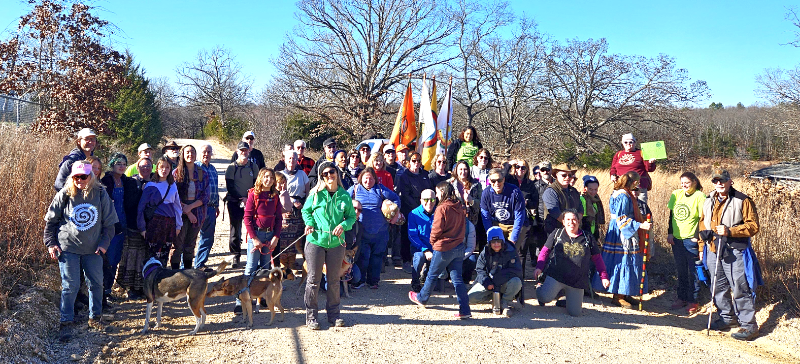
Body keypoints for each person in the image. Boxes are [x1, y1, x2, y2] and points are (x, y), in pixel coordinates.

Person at [46, 160, 118, 341]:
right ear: (72, 177)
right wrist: (50, 243)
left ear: (91, 176)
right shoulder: (65, 194)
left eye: (83, 176)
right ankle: (66, 323)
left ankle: (95, 318)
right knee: (71, 286)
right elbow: (51, 222)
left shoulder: (101, 193)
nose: (80, 180)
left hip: (93, 249)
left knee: (96, 284)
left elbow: (110, 225)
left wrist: (104, 244)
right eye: (76, 176)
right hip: (67, 246)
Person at [700, 169, 761, 341]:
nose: (719, 183)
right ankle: (727, 318)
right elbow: (701, 222)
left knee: (740, 287)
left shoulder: (743, 200)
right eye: (715, 180)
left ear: (730, 181)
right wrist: (701, 241)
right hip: (712, 248)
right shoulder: (708, 199)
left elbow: (754, 226)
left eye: (722, 180)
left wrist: (730, 231)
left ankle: (749, 326)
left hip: (734, 250)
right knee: (717, 287)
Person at [301, 162, 357, 329]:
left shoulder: (344, 195)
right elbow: (306, 211)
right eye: (325, 174)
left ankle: (334, 315)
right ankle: (311, 316)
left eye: (331, 172)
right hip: (316, 241)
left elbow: (351, 217)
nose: (329, 176)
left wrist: (344, 226)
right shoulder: (315, 194)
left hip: (336, 244)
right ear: (321, 177)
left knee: (333, 280)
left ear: (336, 173)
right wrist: (310, 223)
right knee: (313, 280)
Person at [408, 182, 471, 319]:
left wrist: (433, 243)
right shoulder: (459, 206)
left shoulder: (442, 208)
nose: (436, 196)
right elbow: (463, 227)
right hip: (458, 247)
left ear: (442, 192)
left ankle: (422, 298)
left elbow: (436, 230)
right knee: (457, 279)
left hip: (443, 248)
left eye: (437, 193)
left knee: (432, 275)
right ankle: (465, 309)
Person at [534, 210, 610, 316]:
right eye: (568, 220)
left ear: (578, 221)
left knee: (575, 313)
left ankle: (566, 298)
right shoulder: (557, 233)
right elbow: (544, 251)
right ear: (563, 222)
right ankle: (539, 287)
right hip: (557, 276)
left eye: (574, 219)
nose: (571, 222)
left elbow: (597, 258)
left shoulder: (587, 237)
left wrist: (604, 276)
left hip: (577, 280)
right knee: (544, 298)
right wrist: (539, 267)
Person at [598, 171, 652, 308]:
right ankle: (618, 295)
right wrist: (640, 225)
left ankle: (626, 292)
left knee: (627, 259)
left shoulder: (622, 193)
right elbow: (621, 218)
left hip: (621, 229)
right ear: (633, 182)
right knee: (622, 259)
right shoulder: (623, 195)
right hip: (622, 232)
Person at [238, 168, 283, 313]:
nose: (268, 180)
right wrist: (254, 238)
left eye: (271, 177)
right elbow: (247, 218)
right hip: (256, 236)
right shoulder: (253, 194)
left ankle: (261, 297)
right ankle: (241, 299)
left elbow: (278, 219)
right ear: (260, 178)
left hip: (269, 237)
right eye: (265, 177)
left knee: (265, 269)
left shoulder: (275, 196)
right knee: (251, 268)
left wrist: (276, 237)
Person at [348, 167, 400, 289]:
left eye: (371, 179)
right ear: (361, 179)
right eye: (366, 179)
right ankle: (360, 280)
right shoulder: (355, 189)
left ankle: (373, 281)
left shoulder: (380, 189)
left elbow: (396, 199)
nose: (368, 181)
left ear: (375, 179)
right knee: (364, 257)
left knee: (377, 257)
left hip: (380, 231)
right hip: (362, 231)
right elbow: (343, 200)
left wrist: (394, 215)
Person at [99, 153, 138, 309]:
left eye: (124, 164)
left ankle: (108, 291)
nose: (121, 166)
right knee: (107, 259)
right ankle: (102, 294)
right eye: (118, 163)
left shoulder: (125, 181)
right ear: (112, 165)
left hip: (123, 223)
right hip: (109, 225)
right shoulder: (106, 181)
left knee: (115, 259)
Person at [666, 172, 706, 315]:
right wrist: (670, 232)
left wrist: (697, 236)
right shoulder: (676, 194)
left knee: (693, 271)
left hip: (691, 239)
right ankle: (681, 297)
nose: (684, 186)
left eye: (687, 183)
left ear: (694, 182)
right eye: (682, 183)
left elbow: (703, 218)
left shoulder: (700, 196)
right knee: (681, 270)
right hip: (677, 239)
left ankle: (693, 300)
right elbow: (671, 216)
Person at [116, 156, 152, 300]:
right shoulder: (132, 182)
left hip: (151, 227)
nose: (145, 168)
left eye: (148, 166)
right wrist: (141, 192)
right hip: (133, 226)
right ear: (137, 168)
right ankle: (130, 288)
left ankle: (144, 286)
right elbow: (128, 204)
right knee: (131, 257)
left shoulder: (155, 182)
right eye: (142, 166)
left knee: (146, 256)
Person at [468, 226, 522, 317]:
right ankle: (495, 298)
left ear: (502, 241)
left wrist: (497, 280)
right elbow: (480, 270)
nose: (496, 244)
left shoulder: (511, 251)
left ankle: (505, 302)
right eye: (493, 242)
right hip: (489, 284)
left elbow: (516, 271)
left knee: (516, 282)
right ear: (489, 243)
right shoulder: (484, 252)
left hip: (505, 283)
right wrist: (487, 282)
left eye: (499, 241)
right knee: (470, 298)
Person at [137, 156, 183, 265]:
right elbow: (141, 208)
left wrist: (178, 225)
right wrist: (142, 228)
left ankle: (162, 279)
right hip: (155, 224)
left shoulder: (172, 185)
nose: (164, 170)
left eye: (167, 167)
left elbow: (177, 207)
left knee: (164, 255)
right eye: (161, 167)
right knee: (152, 255)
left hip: (169, 224)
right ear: (156, 168)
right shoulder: (150, 185)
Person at [170, 145, 209, 270]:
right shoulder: (176, 173)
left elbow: (205, 196)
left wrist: (190, 208)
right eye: (187, 152)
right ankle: (175, 275)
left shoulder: (202, 173)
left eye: (192, 152)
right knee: (177, 245)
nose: (190, 154)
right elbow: (173, 195)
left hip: (197, 211)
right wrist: (186, 211)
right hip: (179, 212)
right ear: (182, 155)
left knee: (190, 245)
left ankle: (187, 275)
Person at [396, 152, 433, 272]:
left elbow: (430, 190)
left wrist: (427, 206)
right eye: (413, 160)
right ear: (408, 162)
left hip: (427, 208)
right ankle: (406, 260)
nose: (416, 163)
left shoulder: (425, 174)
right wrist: (419, 208)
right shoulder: (404, 176)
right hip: (410, 209)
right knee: (408, 235)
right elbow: (405, 195)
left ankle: (425, 259)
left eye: (418, 160)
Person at [225, 142, 259, 267]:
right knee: (235, 230)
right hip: (234, 202)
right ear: (237, 152)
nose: (244, 152)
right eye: (241, 150)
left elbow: (256, 185)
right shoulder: (232, 167)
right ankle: (235, 256)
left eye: (246, 150)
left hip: (251, 202)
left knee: (253, 229)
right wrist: (241, 199)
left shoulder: (253, 167)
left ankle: (254, 256)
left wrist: (248, 199)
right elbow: (230, 187)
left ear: (249, 151)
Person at [480, 168, 528, 252]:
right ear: (489, 181)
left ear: (504, 179)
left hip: (515, 224)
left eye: (499, 180)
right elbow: (486, 217)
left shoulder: (515, 191)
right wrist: (491, 235)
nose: (497, 183)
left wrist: (513, 239)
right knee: (496, 250)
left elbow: (519, 217)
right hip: (498, 223)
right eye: (493, 181)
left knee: (510, 251)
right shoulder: (486, 193)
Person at [506, 159, 540, 263]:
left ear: (526, 170)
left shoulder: (530, 185)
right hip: (508, 219)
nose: (520, 169)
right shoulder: (508, 180)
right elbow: (500, 175)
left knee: (521, 251)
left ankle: (521, 277)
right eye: (517, 167)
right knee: (506, 249)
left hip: (524, 220)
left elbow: (536, 202)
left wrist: (527, 203)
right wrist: (509, 164)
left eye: (523, 167)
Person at [194, 144, 220, 270]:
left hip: (211, 208)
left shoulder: (213, 169)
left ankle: (200, 264)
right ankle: (185, 266)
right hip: (198, 207)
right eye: (204, 151)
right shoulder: (196, 168)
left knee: (208, 238)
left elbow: (215, 189)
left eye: (209, 152)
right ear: (200, 153)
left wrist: (217, 205)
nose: (206, 154)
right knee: (191, 238)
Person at [609, 133, 656, 203]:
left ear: (635, 142)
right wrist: (612, 175)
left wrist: (651, 163)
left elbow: (649, 169)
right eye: (625, 142)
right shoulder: (618, 154)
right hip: (622, 185)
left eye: (631, 142)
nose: (628, 144)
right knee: (621, 208)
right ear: (622, 143)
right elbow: (613, 168)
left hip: (638, 186)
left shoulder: (641, 153)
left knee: (640, 209)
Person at [450, 160, 484, 249]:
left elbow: (481, 203)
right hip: (455, 220)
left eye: (465, 169)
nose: (463, 172)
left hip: (471, 220)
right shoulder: (450, 184)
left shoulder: (476, 185)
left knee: (469, 247)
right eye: (460, 169)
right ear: (456, 170)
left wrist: (471, 200)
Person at [408, 189, 437, 292]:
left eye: (432, 199)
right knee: (419, 257)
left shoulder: (439, 213)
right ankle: (415, 281)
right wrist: (425, 250)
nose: (429, 202)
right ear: (420, 200)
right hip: (419, 247)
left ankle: (428, 277)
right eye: (426, 199)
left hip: (436, 247)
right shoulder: (414, 214)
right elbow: (412, 236)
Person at [542, 167, 583, 236]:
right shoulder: (550, 191)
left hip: (574, 232)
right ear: (557, 175)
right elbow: (556, 213)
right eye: (564, 175)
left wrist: (575, 224)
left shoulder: (574, 191)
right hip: (556, 232)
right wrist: (571, 224)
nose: (567, 177)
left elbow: (580, 210)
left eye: (570, 175)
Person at [580, 175, 605, 240]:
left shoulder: (596, 201)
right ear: (585, 188)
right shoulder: (582, 199)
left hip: (594, 232)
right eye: (590, 189)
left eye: (595, 189)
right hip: (585, 233)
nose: (593, 192)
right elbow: (584, 220)